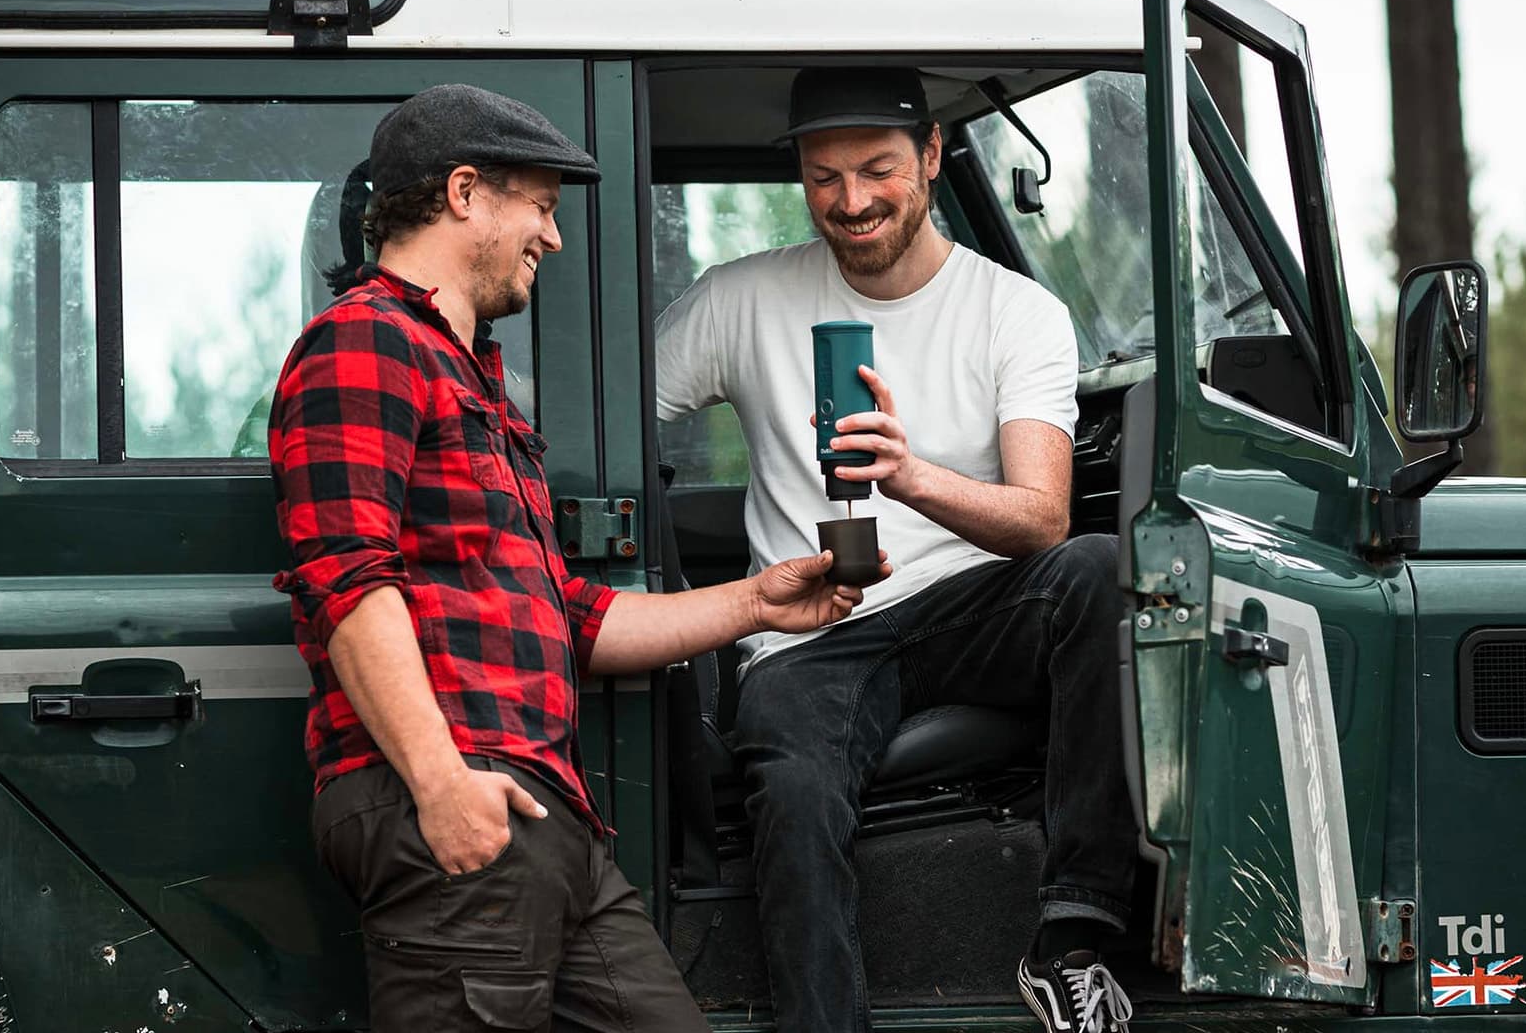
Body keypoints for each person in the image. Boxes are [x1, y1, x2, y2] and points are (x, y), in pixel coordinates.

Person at [269, 84, 882, 1033]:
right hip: (459, 800)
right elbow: (348, 587)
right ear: (466, 193)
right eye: (542, 208)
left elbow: (573, 616)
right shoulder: (363, 345)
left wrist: (760, 602)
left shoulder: (473, 382)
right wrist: (441, 789)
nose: (552, 239)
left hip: (544, 818)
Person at [655, 67, 1141, 1033]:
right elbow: (591, 421)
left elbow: (1043, 517)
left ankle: (1074, 936)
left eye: (876, 168)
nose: (852, 200)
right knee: (790, 786)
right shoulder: (740, 300)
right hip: (812, 627)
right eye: (823, 176)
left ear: (930, 158)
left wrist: (909, 474)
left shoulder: (1017, 312)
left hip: (969, 607)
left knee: (1092, 570)